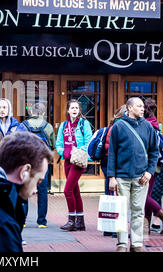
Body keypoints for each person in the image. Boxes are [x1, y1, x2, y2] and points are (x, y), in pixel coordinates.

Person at [108, 97, 159, 252]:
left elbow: (154, 152)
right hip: (121, 176)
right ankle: (122, 244)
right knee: (121, 211)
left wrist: (150, 172)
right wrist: (112, 177)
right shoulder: (118, 126)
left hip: (141, 177)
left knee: (138, 210)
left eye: (143, 106)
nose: (142, 109)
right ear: (129, 108)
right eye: (139, 106)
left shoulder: (148, 127)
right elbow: (112, 153)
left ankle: (136, 243)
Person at [17, 102, 55, 228]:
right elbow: (52, 145)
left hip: (27, 162)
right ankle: (42, 222)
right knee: (43, 191)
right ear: (43, 113)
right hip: (42, 163)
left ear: (31, 112)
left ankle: (22, 221)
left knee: (24, 189)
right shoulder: (48, 126)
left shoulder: (23, 125)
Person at [56, 99, 93, 232]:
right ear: (68, 110)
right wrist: (64, 153)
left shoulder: (84, 124)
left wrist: (76, 151)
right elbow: (59, 143)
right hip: (67, 160)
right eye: (72, 108)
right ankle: (80, 222)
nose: (74, 110)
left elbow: (89, 141)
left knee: (67, 190)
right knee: (75, 190)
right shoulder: (63, 125)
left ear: (79, 110)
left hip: (78, 160)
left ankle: (71, 220)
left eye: (76, 108)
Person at [143, 99, 163, 235]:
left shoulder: (146, 126)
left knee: (144, 196)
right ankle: (146, 228)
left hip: (147, 165)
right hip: (154, 165)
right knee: (146, 195)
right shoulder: (154, 124)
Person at [100, 104, 126, 237]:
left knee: (109, 194)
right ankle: (116, 229)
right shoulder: (121, 125)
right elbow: (117, 148)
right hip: (114, 163)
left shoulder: (113, 124)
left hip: (106, 162)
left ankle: (108, 227)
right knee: (116, 195)